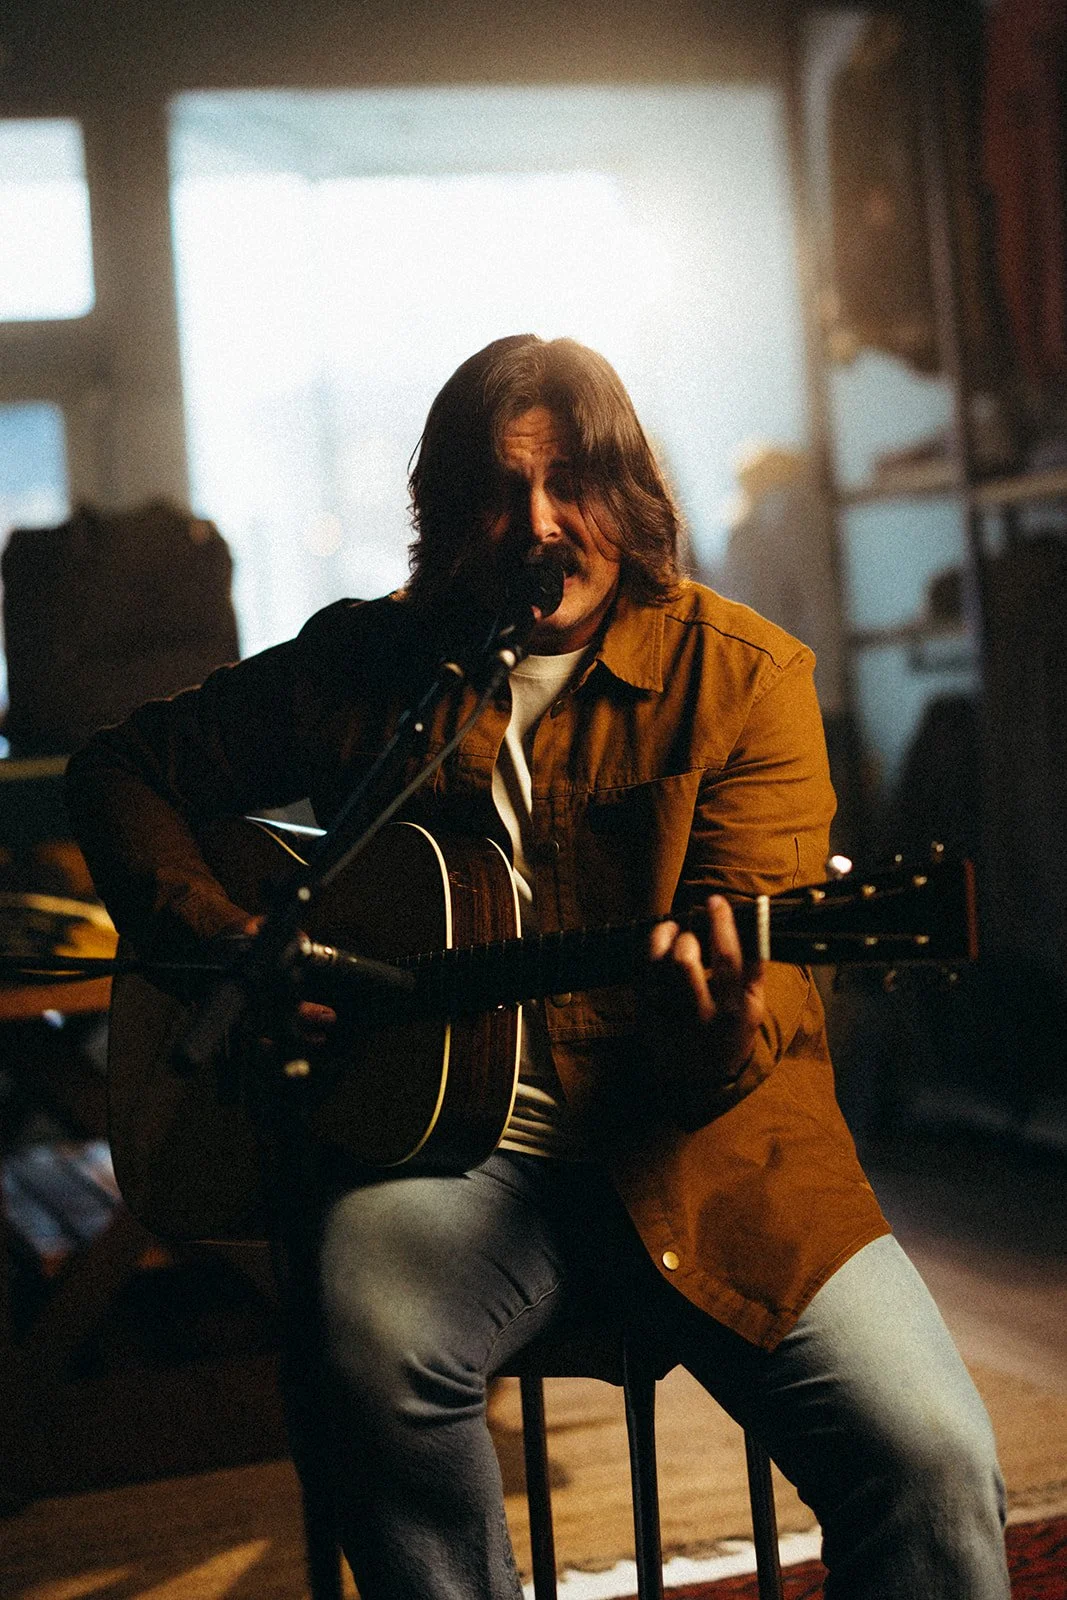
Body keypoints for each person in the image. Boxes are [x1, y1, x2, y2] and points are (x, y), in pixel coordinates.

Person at [65, 335, 1009, 1599]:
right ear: (449, 516)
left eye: (573, 482)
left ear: (630, 496)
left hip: (714, 1153)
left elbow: (760, 1023)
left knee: (934, 1461)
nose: (540, 523)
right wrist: (219, 936)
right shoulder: (368, 666)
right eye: (498, 492)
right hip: (446, 1156)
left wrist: (712, 1026)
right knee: (360, 1349)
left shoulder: (744, 680)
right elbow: (119, 769)